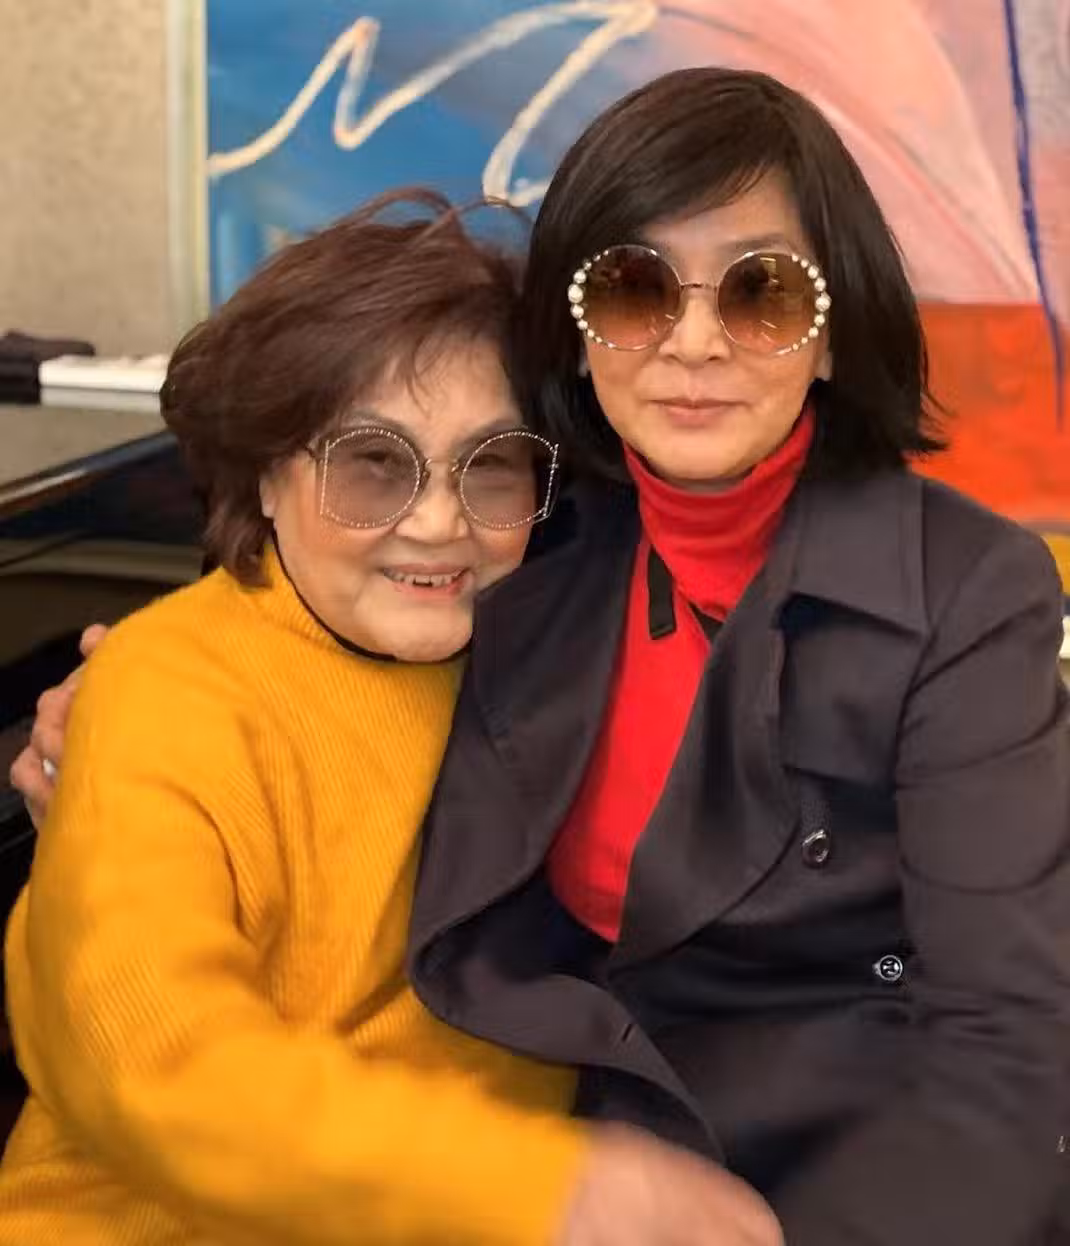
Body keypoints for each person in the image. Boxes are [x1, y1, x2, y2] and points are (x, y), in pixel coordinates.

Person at [0, 190, 782, 1246]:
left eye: (490, 464)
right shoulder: (164, 691)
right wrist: (553, 1191)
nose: (438, 520)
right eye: (373, 462)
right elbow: (157, 1066)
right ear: (266, 474)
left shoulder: (534, 643)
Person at [401, 69, 1070, 1246]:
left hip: (872, 1173)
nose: (694, 342)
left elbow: (1004, 1048)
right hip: (583, 1159)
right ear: (580, 335)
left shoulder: (969, 590)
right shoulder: (522, 548)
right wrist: (124, 703)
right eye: (635, 287)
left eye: (761, 292)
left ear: (830, 340)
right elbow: (316, 612)